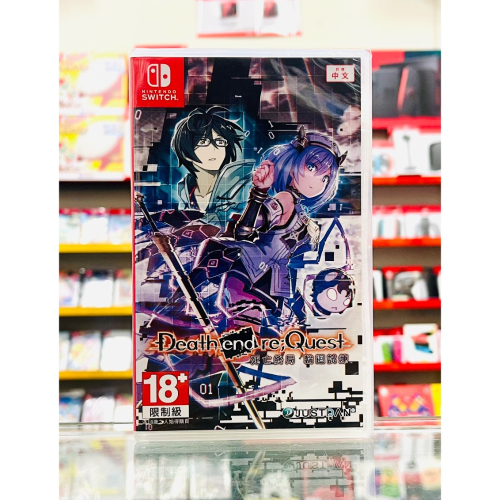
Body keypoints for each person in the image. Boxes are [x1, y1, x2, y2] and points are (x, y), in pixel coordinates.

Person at [174, 127, 348, 332]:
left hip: (258, 269)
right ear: (293, 163)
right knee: (246, 332)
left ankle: (189, 302)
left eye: (325, 178)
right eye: (311, 167)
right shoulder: (294, 207)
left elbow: (244, 232)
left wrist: (258, 193)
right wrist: (259, 194)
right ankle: (194, 303)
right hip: (272, 278)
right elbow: (249, 232)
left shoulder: (291, 204)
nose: (317, 180)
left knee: (213, 249)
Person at [171, 106, 255, 228]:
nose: (215, 149)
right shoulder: (185, 190)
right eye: (203, 142)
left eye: (220, 142)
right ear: (185, 152)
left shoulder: (243, 186)